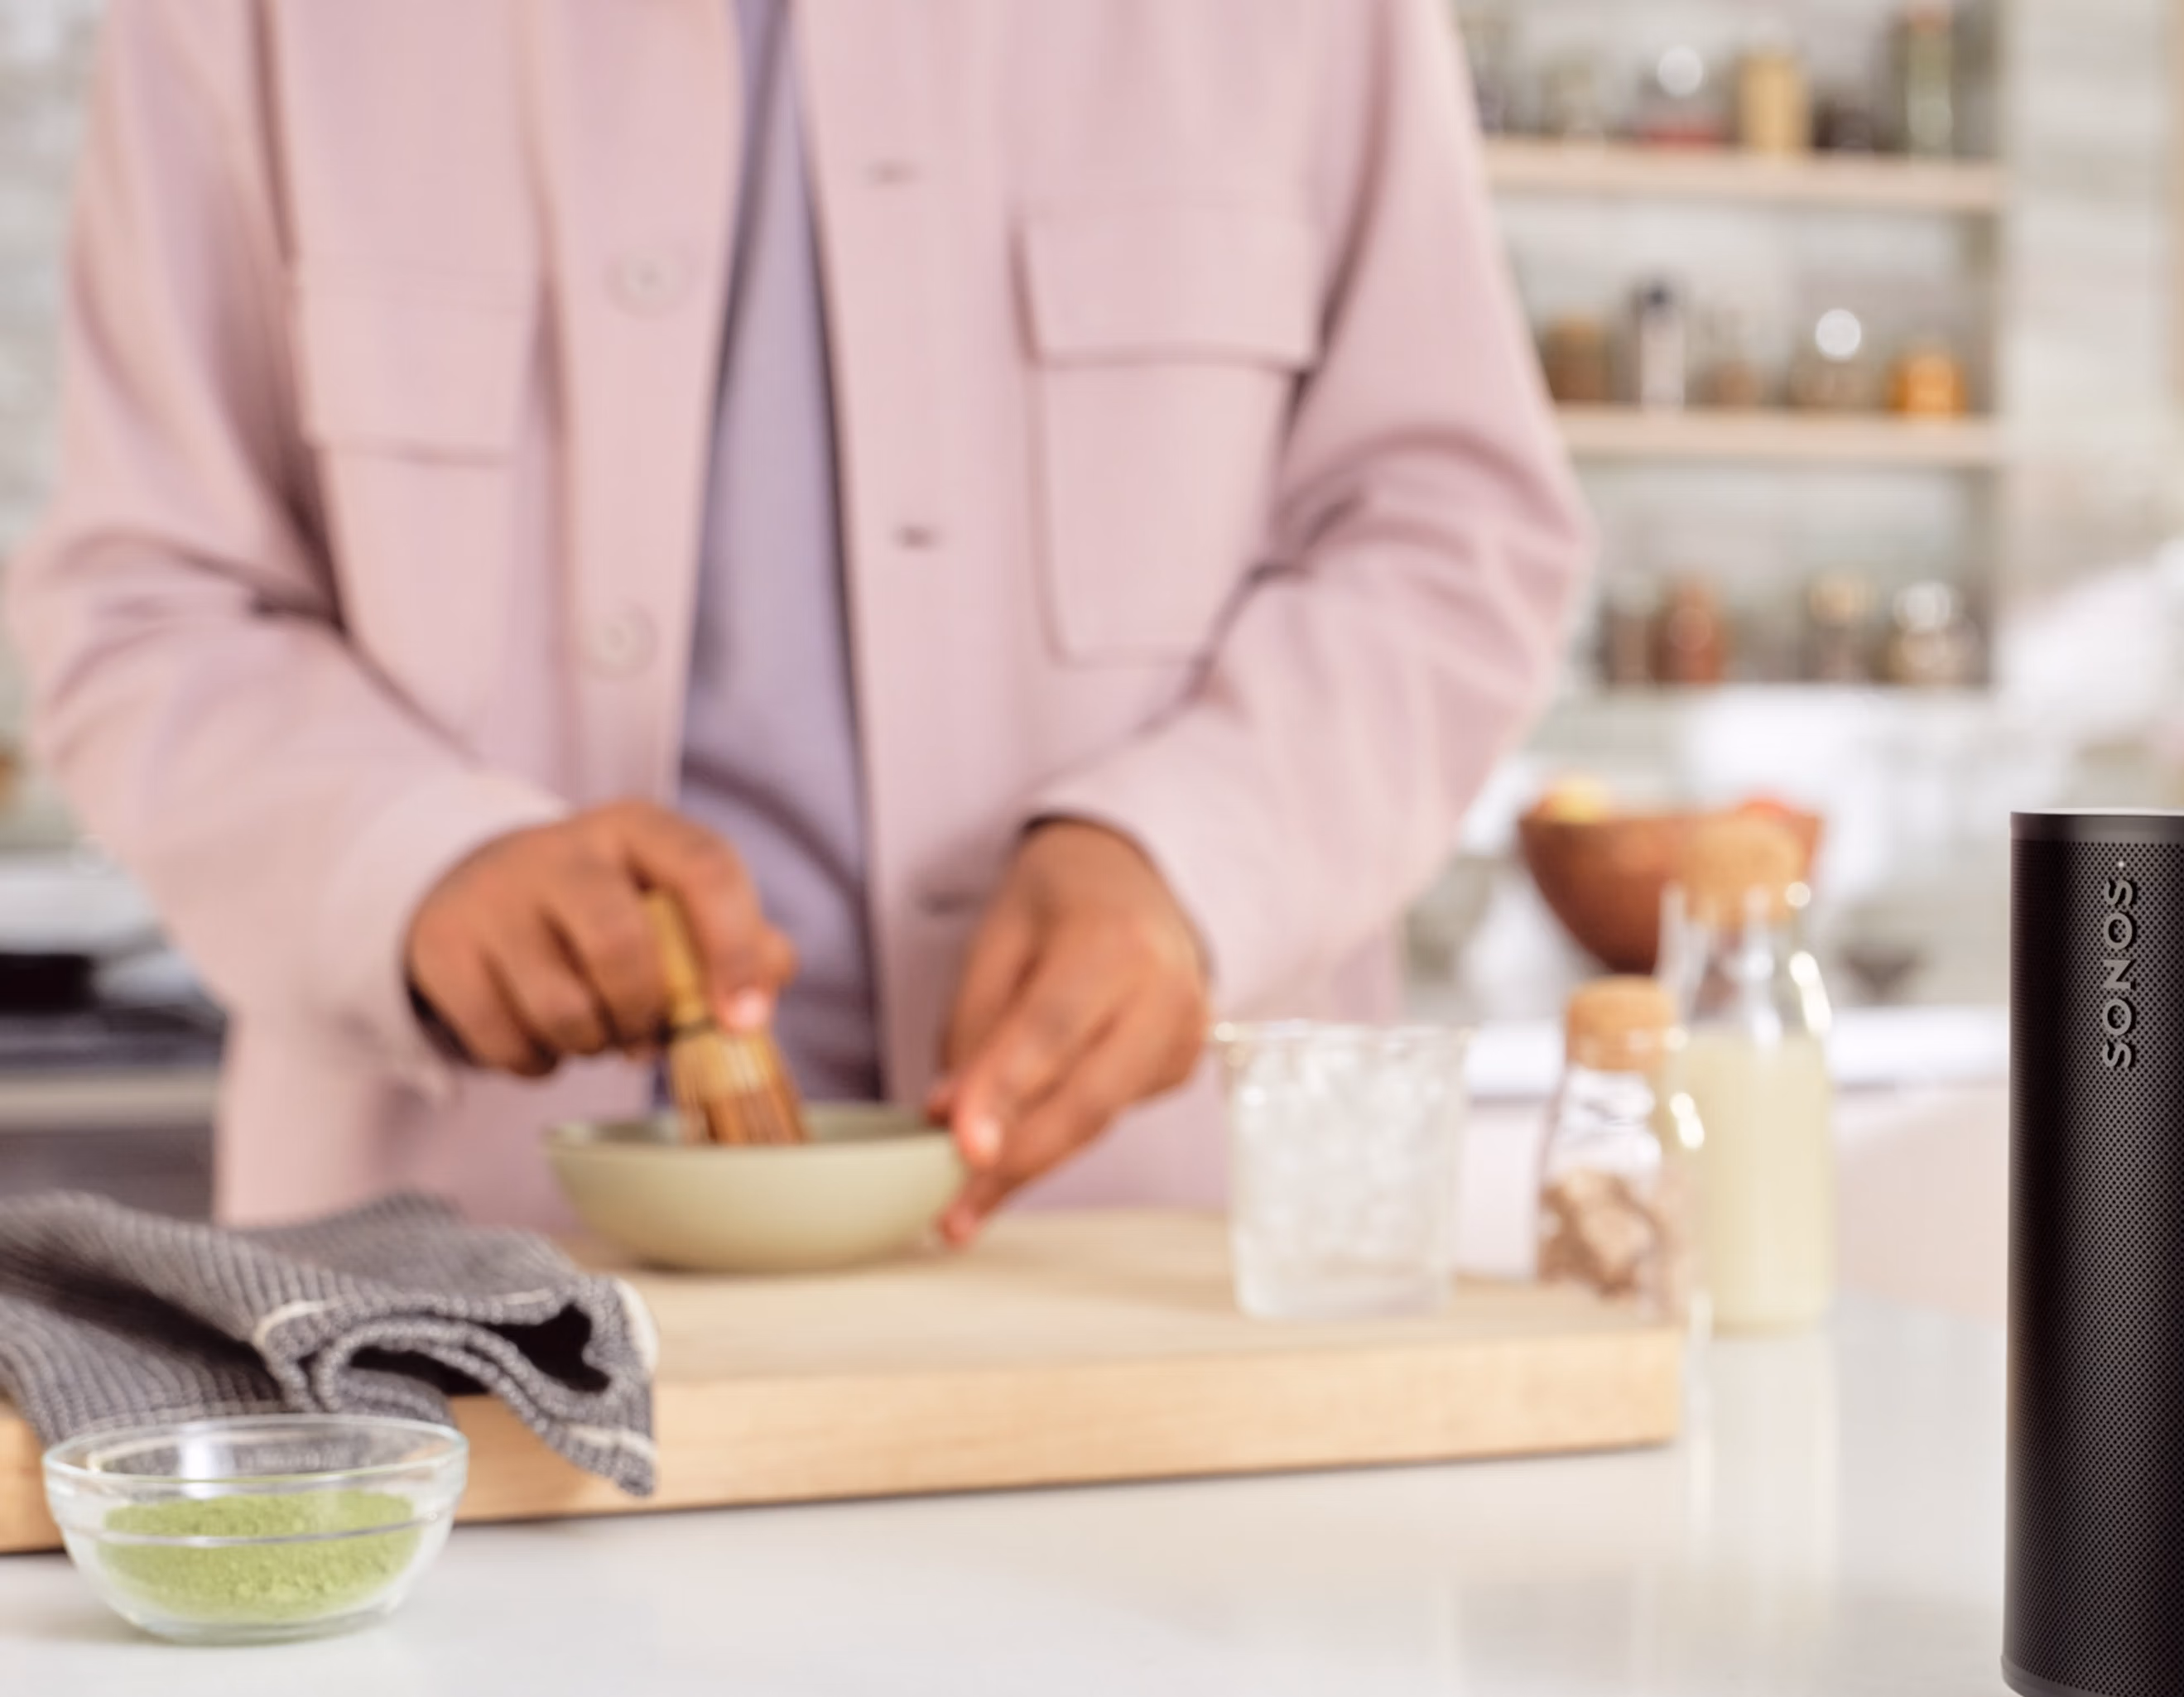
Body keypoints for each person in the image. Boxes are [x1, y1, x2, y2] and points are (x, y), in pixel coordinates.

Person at [6, 0, 1585, 1239]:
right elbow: (149, 601)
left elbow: (1451, 531)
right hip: (465, 1305)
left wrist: (1182, 859)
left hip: (1129, 1291)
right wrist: (414, 870)